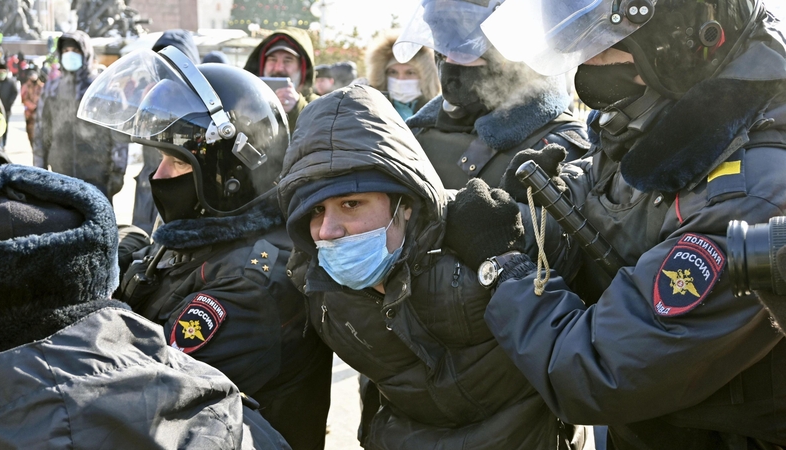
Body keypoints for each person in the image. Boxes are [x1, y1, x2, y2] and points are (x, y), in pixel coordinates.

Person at [442, 0, 786, 448]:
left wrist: (501, 265)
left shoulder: (751, 195)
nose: (587, 62)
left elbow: (596, 372)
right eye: (578, 41)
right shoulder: (667, 125)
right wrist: (553, 195)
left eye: (601, 39)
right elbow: (616, 184)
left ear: (685, 37)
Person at [277, 84, 590, 449]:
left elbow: (584, 345)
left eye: (351, 204)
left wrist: (540, 217)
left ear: (406, 203)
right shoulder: (313, 284)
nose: (328, 230)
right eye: (316, 210)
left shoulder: (480, 235)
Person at [78, 46, 333, 450]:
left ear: (228, 178)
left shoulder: (250, 287)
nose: (156, 176)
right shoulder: (204, 236)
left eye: (176, 163)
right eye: (159, 159)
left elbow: (147, 397)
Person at [0, 163, 290, 450]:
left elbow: (162, 375)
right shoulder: (190, 244)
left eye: (176, 162)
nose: (157, 174)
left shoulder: (245, 282)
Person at [394, 0, 591, 189]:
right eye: (443, 44)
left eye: (466, 46)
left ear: (513, 51)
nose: (450, 60)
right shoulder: (416, 132)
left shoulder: (557, 150)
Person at [32, 30, 128, 202]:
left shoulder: (103, 89)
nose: (70, 55)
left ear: (86, 54)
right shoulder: (51, 89)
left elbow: (119, 134)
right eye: (66, 51)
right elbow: (41, 131)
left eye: (76, 51)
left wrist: (118, 172)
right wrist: (40, 171)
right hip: (60, 176)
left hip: (97, 178)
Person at [131, 29, 201, 235]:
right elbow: (123, 136)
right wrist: (144, 108)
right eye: (162, 63)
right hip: (148, 184)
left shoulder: (199, 107)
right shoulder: (152, 96)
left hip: (178, 187)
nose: (167, 71)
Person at [243, 27, 318, 132]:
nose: (278, 68)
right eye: (272, 59)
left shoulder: (319, 106)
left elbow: (321, 136)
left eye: (288, 60)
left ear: (303, 68)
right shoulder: (244, 100)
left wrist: (297, 108)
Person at [366, 30, 440, 120]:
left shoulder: (441, 114)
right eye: (393, 72)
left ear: (425, 78)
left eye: (410, 73)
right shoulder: (368, 112)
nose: (400, 79)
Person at [20, 68, 42, 145]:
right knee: (31, 134)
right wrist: (33, 107)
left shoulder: (42, 86)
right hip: (30, 114)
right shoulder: (26, 86)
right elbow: (24, 99)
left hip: (42, 113)